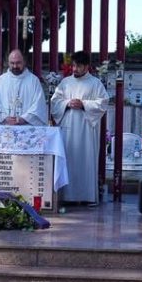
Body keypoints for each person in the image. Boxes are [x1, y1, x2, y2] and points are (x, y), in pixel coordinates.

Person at [50, 51, 108, 205]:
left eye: (78, 66)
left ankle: (86, 196)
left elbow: (102, 103)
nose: (75, 69)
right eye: (73, 66)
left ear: (87, 66)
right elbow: (55, 102)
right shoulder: (65, 83)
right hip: (68, 129)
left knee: (85, 161)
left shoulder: (96, 84)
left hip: (86, 131)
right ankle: (66, 197)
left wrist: (84, 104)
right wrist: (67, 103)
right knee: (67, 160)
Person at [0, 49, 48, 126]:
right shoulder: (0, 81)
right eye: (12, 63)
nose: (15, 66)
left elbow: (38, 106)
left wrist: (24, 119)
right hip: (5, 128)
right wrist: (5, 118)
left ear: (24, 62)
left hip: (27, 128)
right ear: (8, 63)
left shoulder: (34, 81)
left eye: (18, 63)